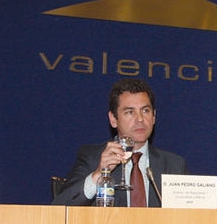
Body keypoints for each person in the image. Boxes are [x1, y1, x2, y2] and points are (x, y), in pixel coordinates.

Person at [52, 78, 186, 206]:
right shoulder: (93, 158)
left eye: (145, 110)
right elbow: (60, 207)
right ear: (113, 119)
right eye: (130, 112)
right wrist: (98, 174)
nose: (140, 119)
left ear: (154, 116)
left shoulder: (174, 165)